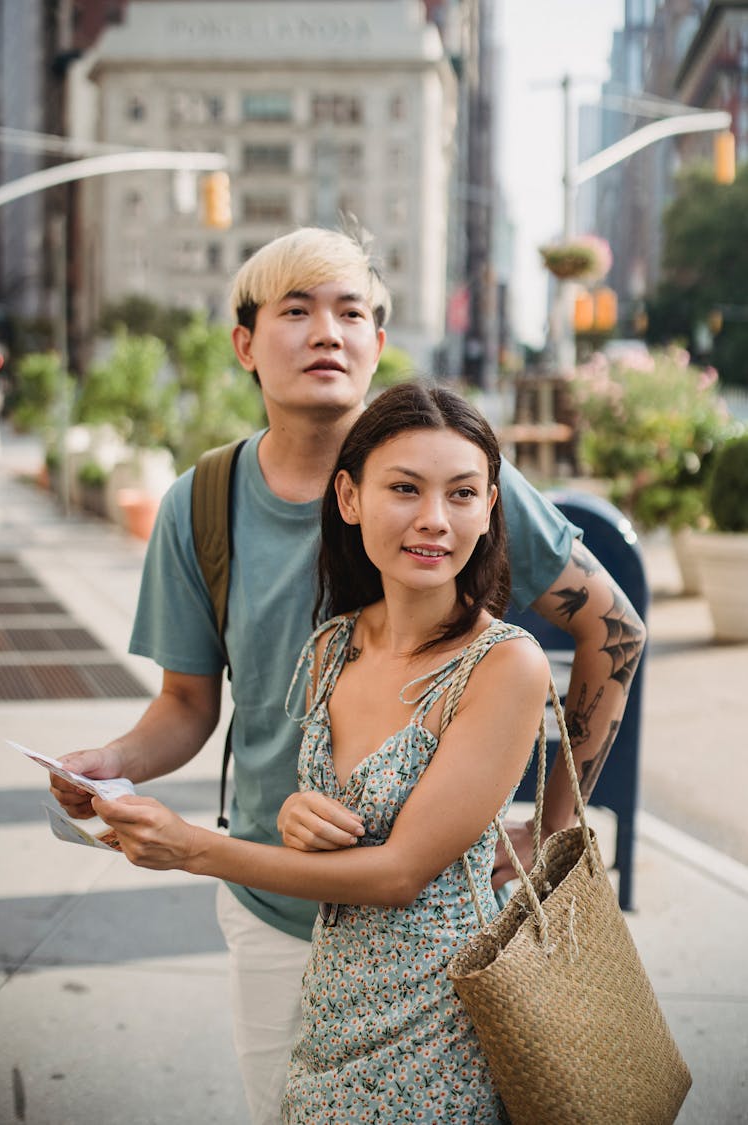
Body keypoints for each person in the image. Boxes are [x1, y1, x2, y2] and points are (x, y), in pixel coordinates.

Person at [50, 225, 646, 1124]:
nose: (327, 331)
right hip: (270, 905)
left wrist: (551, 828)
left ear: (377, 342)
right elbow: (186, 703)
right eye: (297, 310)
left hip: (432, 946)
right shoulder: (200, 504)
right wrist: (111, 759)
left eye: (352, 312)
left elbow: (615, 629)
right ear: (246, 345)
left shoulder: (452, 473)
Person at [90, 381, 551, 1123]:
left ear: (490, 506)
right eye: (405, 488)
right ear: (349, 496)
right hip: (330, 1007)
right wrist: (302, 810)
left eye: (463, 493)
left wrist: (193, 848)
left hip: (438, 1022)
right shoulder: (333, 644)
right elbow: (342, 813)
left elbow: (400, 872)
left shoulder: (505, 664)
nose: (435, 519)